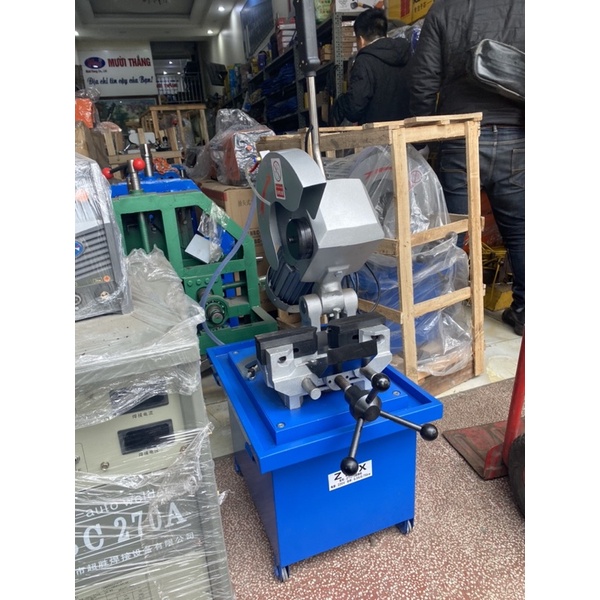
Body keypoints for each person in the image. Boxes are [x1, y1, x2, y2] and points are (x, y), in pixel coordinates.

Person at [409, 0, 525, 335]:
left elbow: (423, 77)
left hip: (460, 133)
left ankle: (442, 315)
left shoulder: (446, 9)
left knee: (451, 232)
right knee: (521, 230)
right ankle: (525, 312)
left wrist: (425, 138)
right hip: (516, 134)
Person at [332, 8, 412, 126]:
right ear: (385, 33)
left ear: (361, 40)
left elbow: (354, 109)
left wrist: (341, 103)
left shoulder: (364, 61)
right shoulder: (407, 52)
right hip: (409, 132)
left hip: (377, 134)